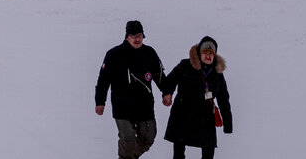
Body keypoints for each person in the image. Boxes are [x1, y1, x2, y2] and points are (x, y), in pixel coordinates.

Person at [95, 20, 168, 159]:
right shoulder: (114, 54)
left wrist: (166, 92)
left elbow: (159, 76)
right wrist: (100, 101)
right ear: (127, 36)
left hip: (145, 105)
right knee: (127, 139)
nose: (137, 39)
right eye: (133, 36)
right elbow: (103, 80)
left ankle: (128, 157)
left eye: (140, 35)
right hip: (122, 105)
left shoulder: (149, 53)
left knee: (148, 137)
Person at [161, 36, 233, 159]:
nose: (208, 56)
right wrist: (167, 93)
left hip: (205, 118)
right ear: (199, 54)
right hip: (183, 114)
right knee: (178, 152)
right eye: (205, 52)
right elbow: (170, 80)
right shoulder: (185, 65)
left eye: (211, 53)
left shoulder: (217, 73)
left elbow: (223, 99)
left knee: (208, 152)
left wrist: (228, 123)